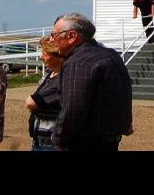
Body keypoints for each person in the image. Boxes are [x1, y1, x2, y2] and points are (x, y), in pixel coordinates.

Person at [50, 13, 133, 151]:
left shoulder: (78, 62)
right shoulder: (111, 55)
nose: (52, 39)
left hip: (85, 144)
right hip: (110, 142)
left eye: (54, 34)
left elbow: (74, 108)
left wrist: (57, 138)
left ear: (71, 36)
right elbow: (127, 90)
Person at [25, 36, 65, 151]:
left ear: (59, 57)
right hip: (40, 139)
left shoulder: (63, 78)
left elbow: (30, 103)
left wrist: (37, 104)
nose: (41, 56)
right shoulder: (48, 75)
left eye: (45, 53)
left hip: (52, 141)